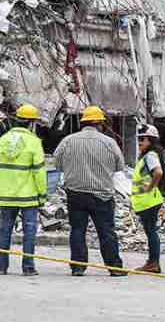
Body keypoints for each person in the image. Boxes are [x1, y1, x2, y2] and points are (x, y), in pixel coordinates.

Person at [53, 105, 126, 277]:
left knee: (78, 230)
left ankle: (78, 266)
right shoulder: (109, 143)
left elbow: (57, 164)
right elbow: (120, 166)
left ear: (83, 122)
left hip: (76, 193)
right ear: (100, 123)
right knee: (106, 231)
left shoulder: (68, 141)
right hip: (102, 195)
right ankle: (114, 267)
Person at [0, 104, 47, 276]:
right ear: (31, 123)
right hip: (27, 195)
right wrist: (42, 195)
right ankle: (28, 267)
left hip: (5, 194)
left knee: (4, 230)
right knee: (29, 231)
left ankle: (1, 267)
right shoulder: (34, 142)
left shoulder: (3, 140)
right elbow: (39, 171)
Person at [132, 123, 165, 273]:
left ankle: (153, 263)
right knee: (150, 231)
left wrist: (150, 188)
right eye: (138, 139)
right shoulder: (146, 156)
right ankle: (152, 262)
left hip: (150, 201)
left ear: (151, 140)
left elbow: (158, 173)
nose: (139, 142)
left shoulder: (151, 156)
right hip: (147, 202)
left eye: (142, 139)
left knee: (151, 231)